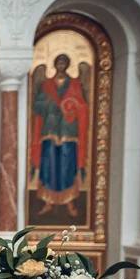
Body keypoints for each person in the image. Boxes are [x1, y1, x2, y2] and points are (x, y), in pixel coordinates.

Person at [30, 54, 89, 218]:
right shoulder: (46, 84)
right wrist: (48, 104)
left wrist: (72, 106)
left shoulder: (75, 84)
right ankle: (48, 202)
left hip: (68, 131)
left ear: (68, 64)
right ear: (55, 64)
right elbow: (37, 106)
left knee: (66, 167)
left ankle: (69, 202)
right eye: (59, 62)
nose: (61, 65)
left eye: (64, 62)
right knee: (49, 165)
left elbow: (83, 106)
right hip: (49, 130)